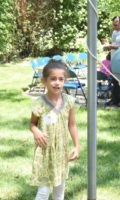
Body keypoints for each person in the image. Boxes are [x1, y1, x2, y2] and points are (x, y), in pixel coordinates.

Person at [30, 59, 80, 200]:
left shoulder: (69, 101)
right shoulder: (39, 103)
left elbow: (72, 125)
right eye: (53, 79)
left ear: (65, 81)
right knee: (44, 191)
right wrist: (36, 131)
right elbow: (32, 124)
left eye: (61, 79)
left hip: (61, 152)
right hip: (45, 152)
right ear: (44, 81)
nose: (57, 82)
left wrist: (77, 146)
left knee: (60, 188)